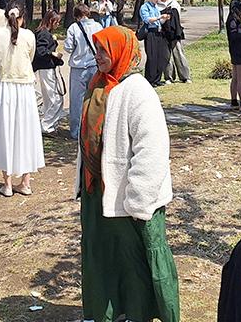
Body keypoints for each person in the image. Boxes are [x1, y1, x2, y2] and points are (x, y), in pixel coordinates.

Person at [78, 25, 179, 322]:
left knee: (139, 261)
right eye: (97, 50)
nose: (98, 56)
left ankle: (143, 313)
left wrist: (139, 199)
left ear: (121, 52)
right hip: (99, 191)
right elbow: (88, 139)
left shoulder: (138, 91)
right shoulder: (97, 85)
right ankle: (110, 312)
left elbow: (152, 149)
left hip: (131, 198)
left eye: (104, 51)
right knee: (104, 257)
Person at [0, 6, 44, 196]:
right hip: (25, 88)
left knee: (5, 133)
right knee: (26, 133)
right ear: (23, 17)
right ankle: (25, 182)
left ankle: (8, 184)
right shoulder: (29, 35)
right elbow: (31, 57)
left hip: (5, 88)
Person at [65, 3, 104, 140]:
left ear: (76, 16)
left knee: (77, 101)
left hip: (78, 68)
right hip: (94, 66)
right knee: (94, 99)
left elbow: (68, 47)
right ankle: (94, 129)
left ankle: (76, 131)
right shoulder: (98, 26)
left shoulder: (73, 28)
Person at [33, 10, 66, 134]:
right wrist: (53, 53)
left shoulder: (42, 32)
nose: (58, 25)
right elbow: (40, 51)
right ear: (51, 21)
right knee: (55, 99)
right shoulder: (44, 33)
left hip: (45, 68)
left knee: (49, 99)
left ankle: (49, 124)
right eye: (57, 22)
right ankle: (47, 126)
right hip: (46, 68)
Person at [139, 0, 171, 87]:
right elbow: (147, 19)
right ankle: (150, 79)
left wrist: (164, 18)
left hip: (158, 32)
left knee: (160, 56)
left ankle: (157, 78)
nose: (157, 0)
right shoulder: (145, 7)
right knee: (152, 56)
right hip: (150, 33)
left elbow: (159, 22)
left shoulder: (156, 7)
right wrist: (159, 17)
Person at [225, 0, 241, 109]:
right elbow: (235, 36)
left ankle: (234, 102)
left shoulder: (234, 19)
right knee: (240, 80)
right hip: (238, 51)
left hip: (235, 50)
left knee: (235, 78)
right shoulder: (233, 20)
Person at [162, 0, 190, 83]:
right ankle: (168, 77)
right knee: (167, 56)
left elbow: (178, 19)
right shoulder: (158, 4)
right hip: (163, 33)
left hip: (174, 33)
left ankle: (185, 77)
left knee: (179, 54)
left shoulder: (174, 4)